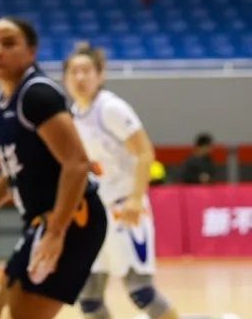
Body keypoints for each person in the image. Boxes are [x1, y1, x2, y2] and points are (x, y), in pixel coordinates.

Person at [0, 18, 106, 319]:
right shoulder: (2, 100)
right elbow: (15, 172)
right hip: (40, 223)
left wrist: (56, 231)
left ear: (31, 52)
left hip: (73, 221)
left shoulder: (37, 95)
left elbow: (77, 164)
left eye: (9, 43)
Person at [64, 43, 178, 319]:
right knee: (89, 299)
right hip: (94, 216)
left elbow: (145, 152)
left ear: (100, 75)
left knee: (142, 293)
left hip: (124, 210)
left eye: (87, 71)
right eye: (74, 71)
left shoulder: (111, 108)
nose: (80, 77)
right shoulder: (72, 115)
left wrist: (136, 198)